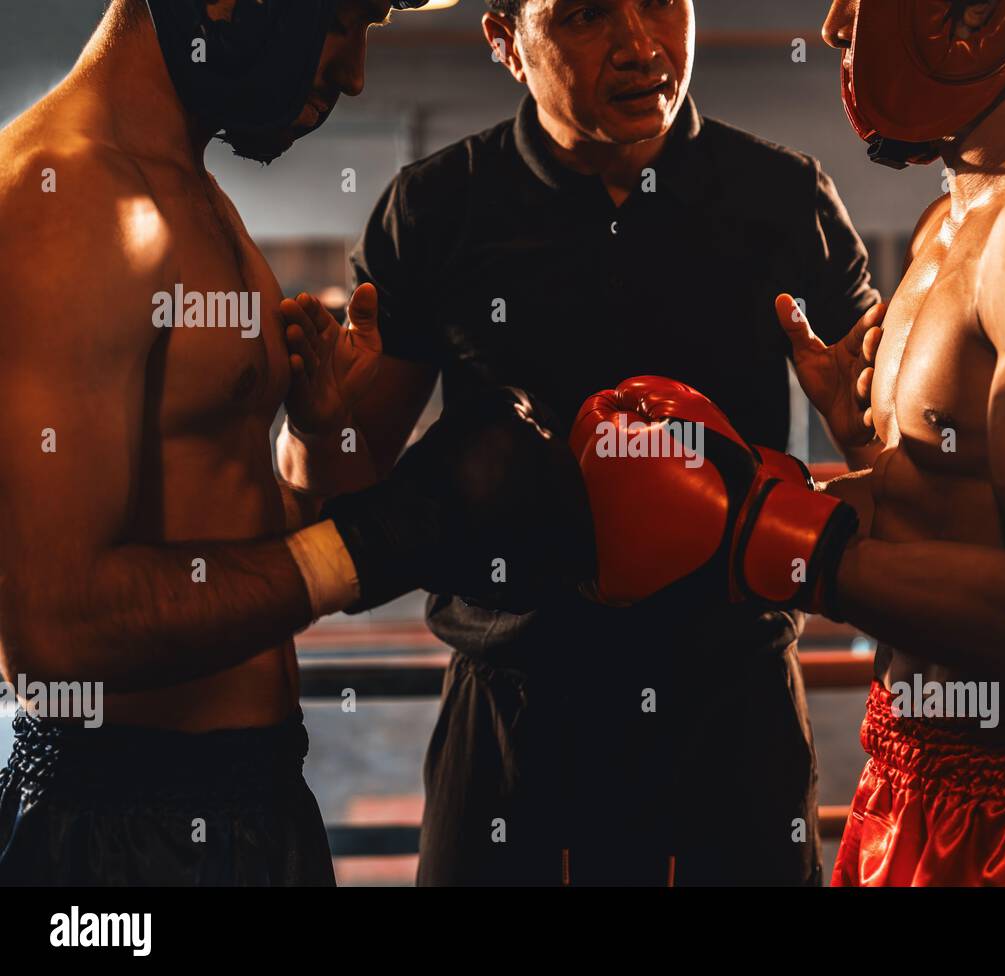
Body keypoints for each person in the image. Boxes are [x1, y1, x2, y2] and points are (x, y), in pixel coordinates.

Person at [571, 0, 1005, 886]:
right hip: (910, 776)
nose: (836, 26)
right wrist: (863, 444)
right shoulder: (951, 221)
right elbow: (961, 507)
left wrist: (777, 537)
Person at [283, 0, 881, 885]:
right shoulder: (441, 207)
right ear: (505, 42)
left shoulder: (781, 197)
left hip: (732, 710)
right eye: (588, 15)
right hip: (513, 715)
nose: (641, 46)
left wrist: (864, 425)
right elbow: (337, 482)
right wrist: (312, 420)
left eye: (661, 4)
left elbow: (891, 446)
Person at [0, 0, 591, 886]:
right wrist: (376, 543)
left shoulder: (188, 190)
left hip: (250, 797)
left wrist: (314, 449)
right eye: (344, 21)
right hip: (120, 828)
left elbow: (211, 540)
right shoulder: (67, 196)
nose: (353, 73)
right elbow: (56, 629)